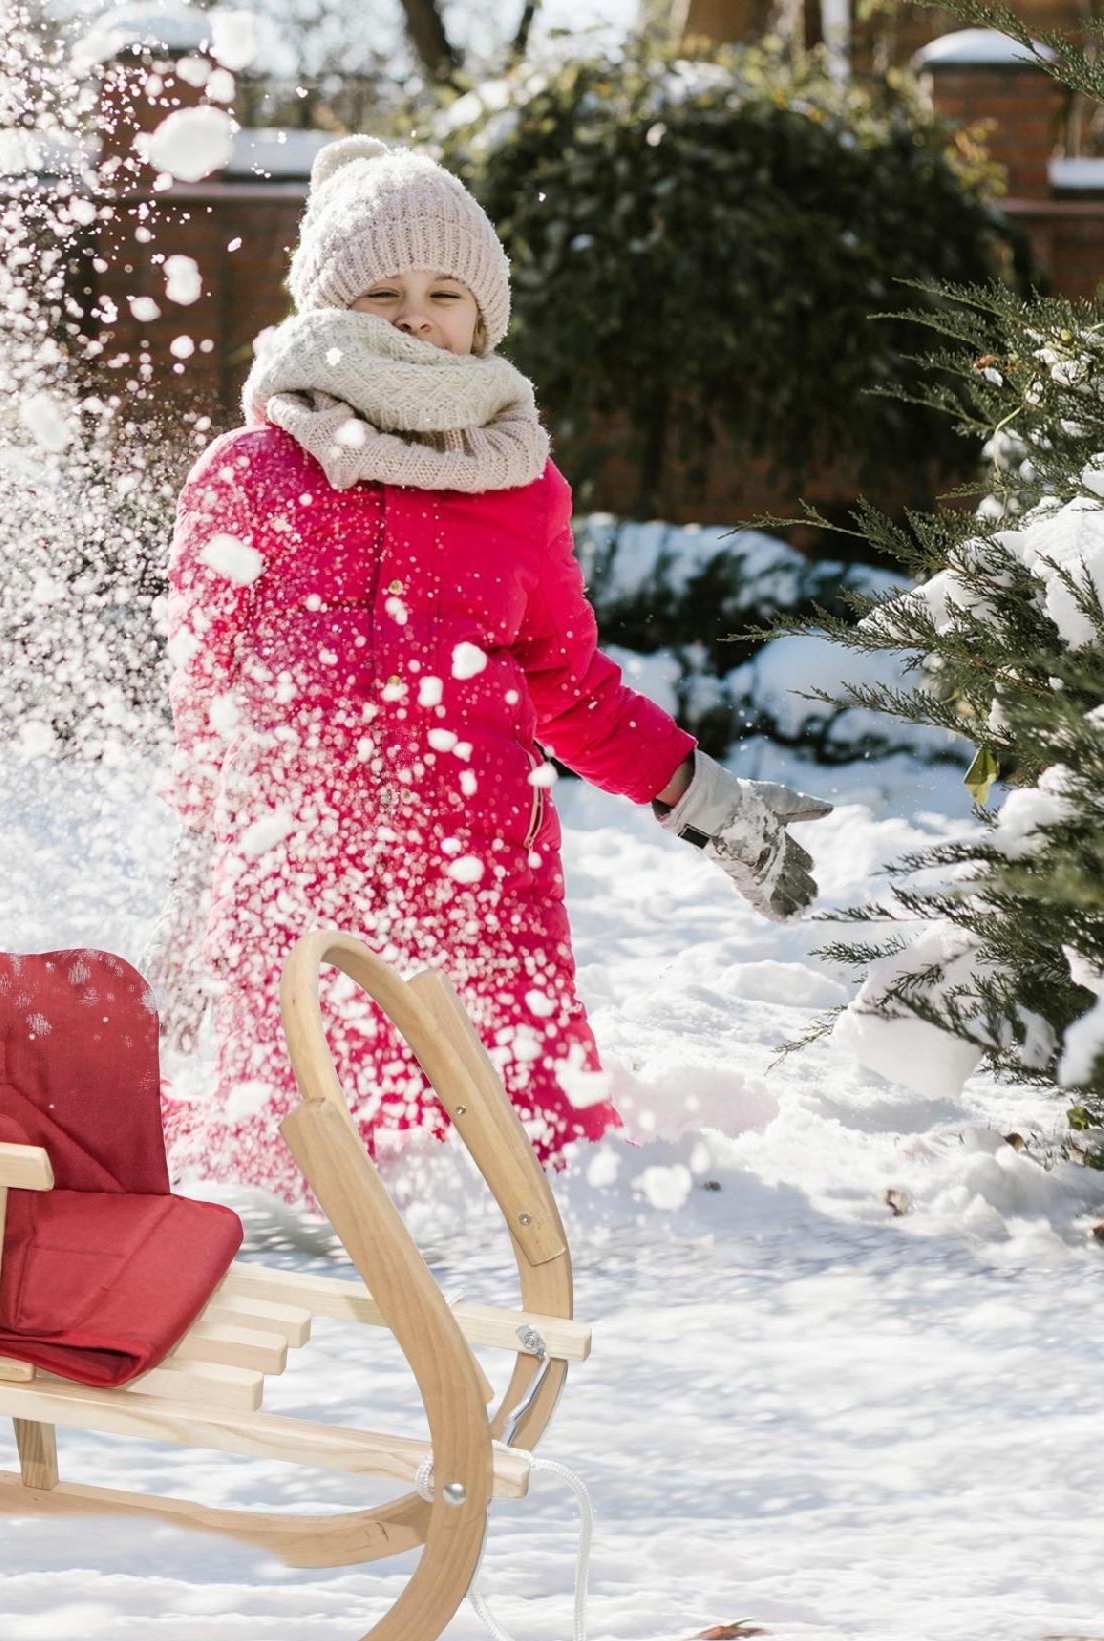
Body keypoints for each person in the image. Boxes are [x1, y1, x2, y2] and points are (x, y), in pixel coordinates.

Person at [155, 135, 830, 1191]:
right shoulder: (255, 471)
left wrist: (702, 797)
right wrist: (198, 874)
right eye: (381, 292)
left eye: (444, 293)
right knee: (298, 1173)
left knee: (527, 1167)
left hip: (479, 884)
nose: (415, 317)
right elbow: (205, 692)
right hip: (297, 881)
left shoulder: (519, 484)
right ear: (326, 308)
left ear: (484, 318)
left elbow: (568, 685)